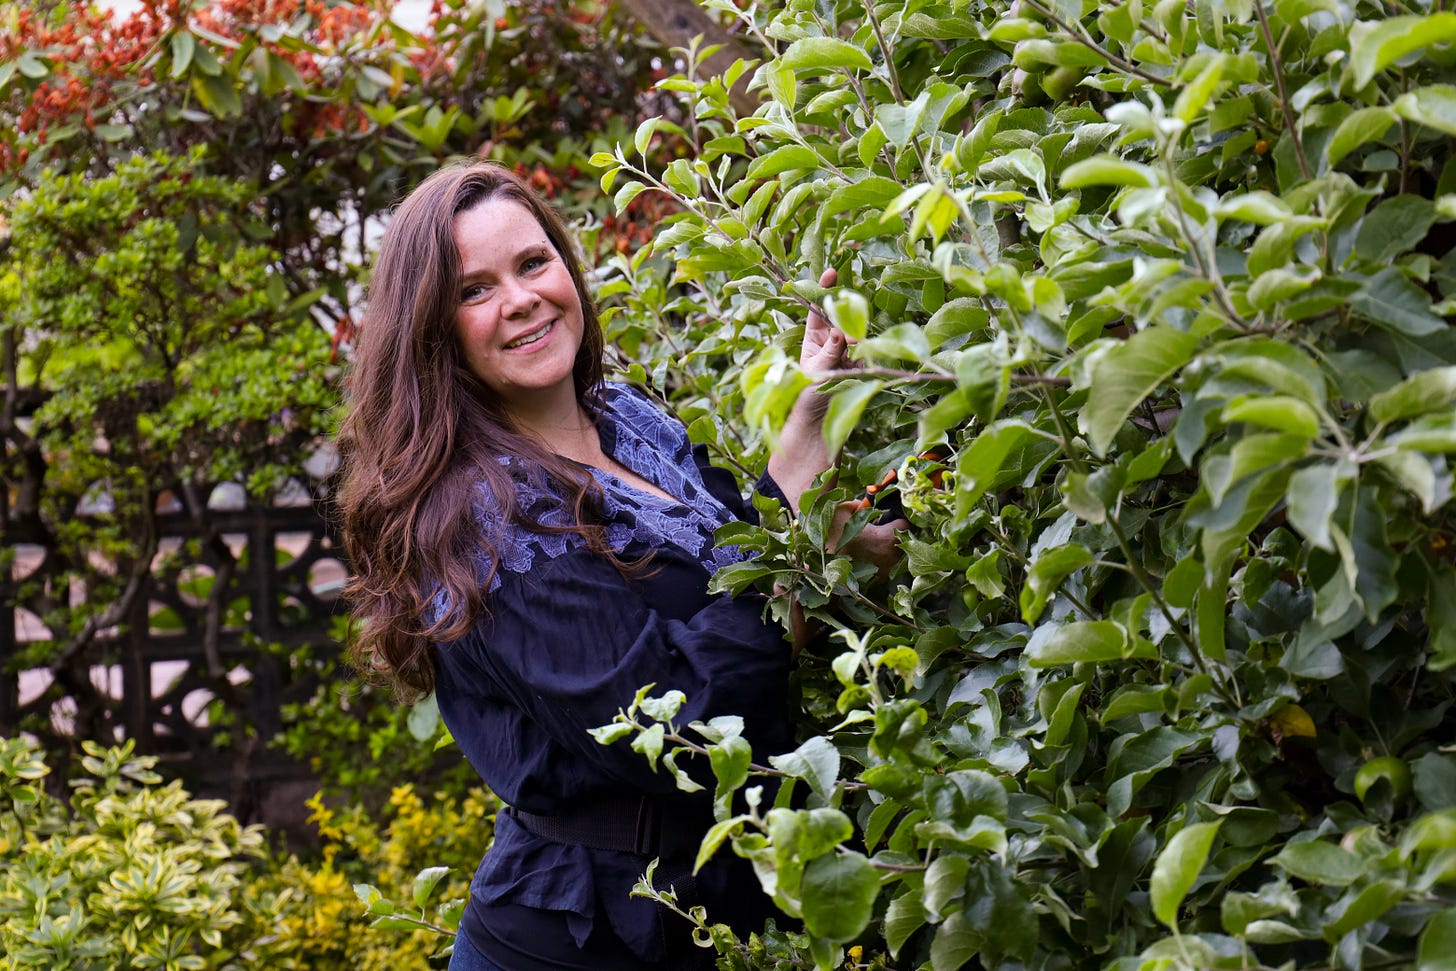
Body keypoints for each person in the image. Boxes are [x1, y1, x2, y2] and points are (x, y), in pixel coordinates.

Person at [335, 161, 899, 971]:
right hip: (584, 939)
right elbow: (679, 727)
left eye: (533, 262)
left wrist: (819, 460)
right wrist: (805, 528)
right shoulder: (482, 519)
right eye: (474, 290)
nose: (523, 298)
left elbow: (742, 563)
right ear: (433, 328)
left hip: (710, 911)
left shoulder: (626, 418)